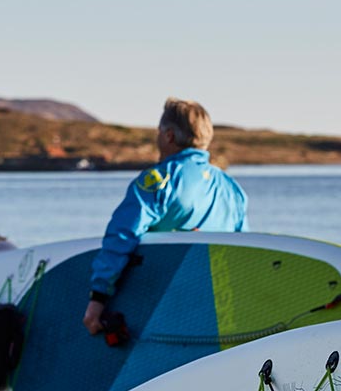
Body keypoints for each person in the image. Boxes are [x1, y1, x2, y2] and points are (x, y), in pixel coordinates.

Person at [82, 97, 249, 334]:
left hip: (167, 305)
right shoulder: (232, 189)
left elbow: (122, 235)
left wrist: (98, 297)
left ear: (169, 135)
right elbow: (243, 251)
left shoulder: (159, 181)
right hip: (218, 307)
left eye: (159, 132)